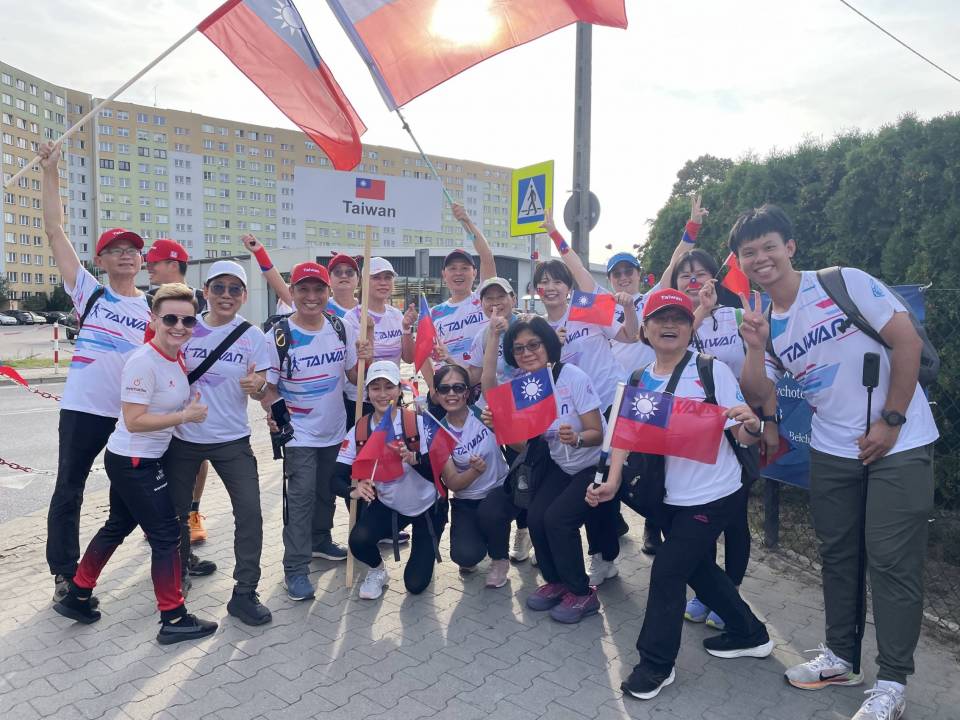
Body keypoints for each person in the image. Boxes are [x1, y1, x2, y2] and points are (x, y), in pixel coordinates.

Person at [733, 204, 939, 720]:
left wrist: (891, 420)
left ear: (790, 247)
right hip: (832, 449)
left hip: (900, 443)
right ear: (741, 262)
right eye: (749, 252)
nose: (761, 258)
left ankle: (892, 682)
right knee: (839, 556)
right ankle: (842, 659)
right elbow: (758, 395)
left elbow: (907, 341)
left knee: (891, 562)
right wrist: (755, 348)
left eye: (769, 246)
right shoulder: (765, 322)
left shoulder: (843, 282)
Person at [587, 288, 772, 700]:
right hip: (668, 497)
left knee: (668, 571)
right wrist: (612, 481)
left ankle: (655, 664)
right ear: (646, 329)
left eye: (679, 319)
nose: (669, 325)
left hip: (715, 493)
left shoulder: (710, 371)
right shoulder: (638, 379)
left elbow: (741, 433)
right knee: (698, 568)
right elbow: (625, 434)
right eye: (660, 318)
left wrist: (752, 426)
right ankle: (750, 633)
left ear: (691, 328)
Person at [52, 283, 218, 645]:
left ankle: (78, 595)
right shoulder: (144, 362)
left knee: (117, 525)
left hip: (136, 458)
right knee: (167, 535)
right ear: (154, 319)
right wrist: (184, 416)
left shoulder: (174, 357)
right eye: (170, 319)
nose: (179, 326)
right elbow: (133, 420)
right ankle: (174, 617)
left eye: (188, 320)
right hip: (135, 460)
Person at [551, 196, 708, 557]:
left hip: (651, 391)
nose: (623, 277)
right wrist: (553, 232)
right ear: (610, 278)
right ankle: (616, 517)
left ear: (639, 274)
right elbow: (575, 266)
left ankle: (654, 524)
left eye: (629, 272)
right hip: (611, 398)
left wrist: (693, 225)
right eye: (617, 273)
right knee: (612, 461)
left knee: (654, 460)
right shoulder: (600, 303)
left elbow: (676, 260)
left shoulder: (653, 300)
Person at [38, 140, 152, 606]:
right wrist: (50, 171)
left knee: (137, 491)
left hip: (132, 414)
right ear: (100, 261)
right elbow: (54, 230)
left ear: (141, 261)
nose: (126, 255)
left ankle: (170, 554)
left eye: (133, 250)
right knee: (70, 489)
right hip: (84, 408)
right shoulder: (90, 292)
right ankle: (65, 574)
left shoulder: (157, 308)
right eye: (115, 250)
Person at [160, 261, 273, 625]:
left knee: (250, 514)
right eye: (219, 288)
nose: (227, 295)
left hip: (231, 439)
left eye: (235, 289)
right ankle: (178, 576)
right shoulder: (185, 327)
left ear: (244, 295)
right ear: (205, 291)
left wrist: (258, 387)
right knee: (175, 514)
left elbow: (262, 390)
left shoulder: (253, 336)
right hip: (184, 437)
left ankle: (244, 592)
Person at [483, 316, 605, 624]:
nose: (527, 353)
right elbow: (524, 444)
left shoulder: (573, 377)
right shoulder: (527, 386)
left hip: (593, 464)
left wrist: (577, 438)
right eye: (519, 348)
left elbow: (598, 433)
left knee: (558, 520)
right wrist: (500, 426)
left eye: (533, 345)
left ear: (548, 345)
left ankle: (582, 592)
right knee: (536, 517)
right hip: (561, 464)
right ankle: (556, 581)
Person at [262, 262, 370, 601]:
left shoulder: (340, 327)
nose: (311, 296)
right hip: (299, 434)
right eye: (303, 289)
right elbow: (267, 388)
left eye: (318, 289)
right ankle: (295, 567)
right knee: (301, 498)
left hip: (335, 430)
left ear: (327, 292)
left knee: (326, 491)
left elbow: (352, 377)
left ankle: (320, 541)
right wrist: (275, 415)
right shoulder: (278, 336)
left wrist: (365, 359)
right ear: (292, 292)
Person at [530, 253, 634, 587]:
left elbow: (629, 335)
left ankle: (604, 557)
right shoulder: (538, 328)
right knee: (580, 487)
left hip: (607, 406)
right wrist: (552, 348)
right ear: (535, 289)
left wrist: (630, 309)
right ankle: (565, 546)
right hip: (571, 418)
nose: (550, 287)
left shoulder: (587, 307)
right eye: (543, 282)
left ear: (568, 286)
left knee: (602, 484)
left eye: (557, 281)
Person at [334, 361, 447, 600]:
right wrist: (353, 490)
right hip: (391, 505)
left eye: (389, 387)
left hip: (428, 506)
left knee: (415, 584)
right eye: (376, 388)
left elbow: (442, 473)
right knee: (358, 541)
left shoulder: (417, 422)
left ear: (399, 390)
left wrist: (415, 460)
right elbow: (335, 478)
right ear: (367, 393)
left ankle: (426, 550)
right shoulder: (360, 431)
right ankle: (377, 571)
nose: (383, 394)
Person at [144, 237, 214, 559]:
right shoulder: (149, 301)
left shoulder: (202, 300)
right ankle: (162, 522)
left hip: (192, 392)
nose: (148, 268)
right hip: (159, 392)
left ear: (173, 265)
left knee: (196, 457)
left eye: (153, 263)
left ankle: (193, 512)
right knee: (159, 459)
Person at [463, 277, 535, 564]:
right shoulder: (482, 335)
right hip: (491, 413)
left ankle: (526, 531)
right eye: (488, 299)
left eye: (501, 296)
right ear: (481, 304)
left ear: (513, 299)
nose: (495, 303)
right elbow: (475, 375)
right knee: (491, 472)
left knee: (525, 474)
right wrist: (446, 366)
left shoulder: (529, 327)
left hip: (525, 413)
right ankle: (487, 535)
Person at [434, 364, 513, 588]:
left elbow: (489, 372)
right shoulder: (439, 433)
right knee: (465, 556)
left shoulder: (483, 412)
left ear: (467, 392)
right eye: (445, 389)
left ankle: (499, 558)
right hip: (467, 500)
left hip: (499, 490)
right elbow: (453, 483)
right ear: (437, 394)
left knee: (491, 513)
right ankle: (481, 538)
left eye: (458, 388)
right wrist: (475, 471)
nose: (451, 394)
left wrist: (501, 427)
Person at [342, 256, 415, 421]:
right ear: (364, 282)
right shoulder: (352, 318)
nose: (383, 283)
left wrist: (406, 328)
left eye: (388, 277)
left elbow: (409, 358)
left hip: (391, 397)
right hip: (361, 400)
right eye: (376, 277)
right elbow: (355, 373)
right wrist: (369, 332)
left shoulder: (396, 315)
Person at [429, 203, 497, 376]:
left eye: (465, 268)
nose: (458, 273)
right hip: (450, 386)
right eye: (452, 268)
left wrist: (466, 221)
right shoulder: (434, 313)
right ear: (444, 275)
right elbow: (425, 357)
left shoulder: (483, 299)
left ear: (474, 273)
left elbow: (487, 257)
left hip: (483, 382)